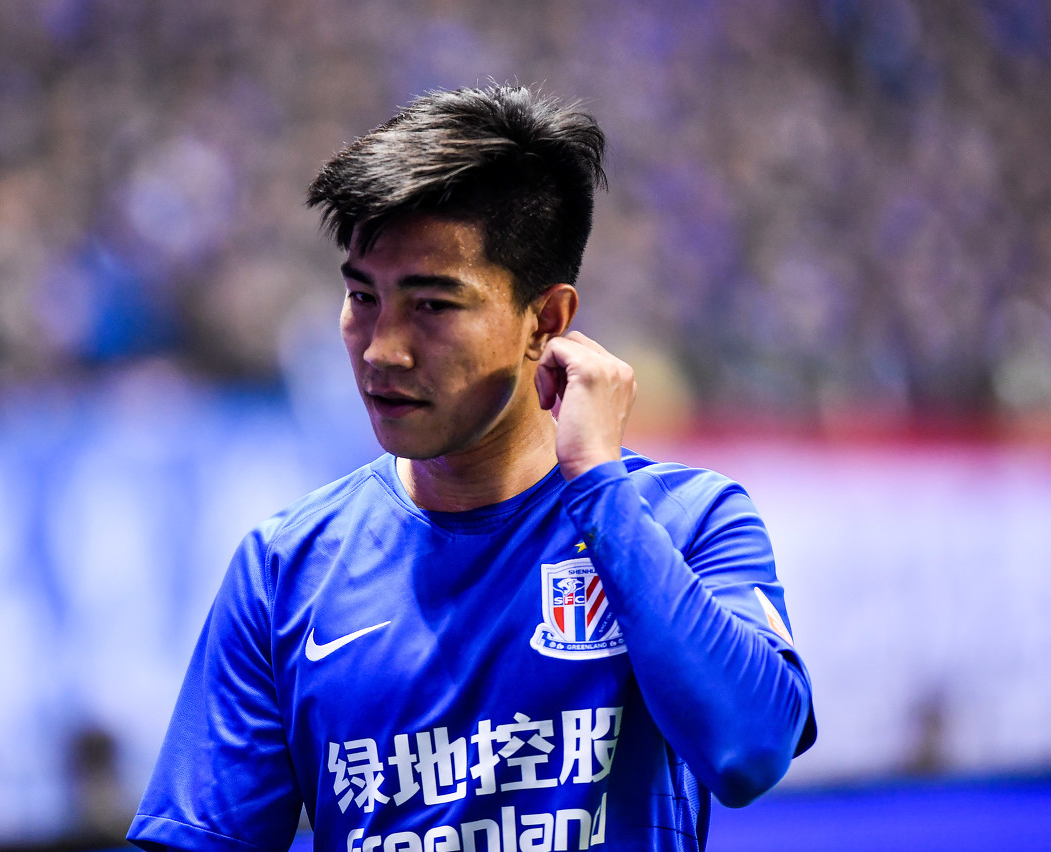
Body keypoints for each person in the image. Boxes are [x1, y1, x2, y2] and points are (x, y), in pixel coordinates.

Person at [128, 84, 816, 852]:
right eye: (362, 296)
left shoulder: (688, 520)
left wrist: (597, 483)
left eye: (432, 306)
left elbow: (749, 752)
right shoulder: (285, 569)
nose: (382, 349)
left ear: (546, 321)